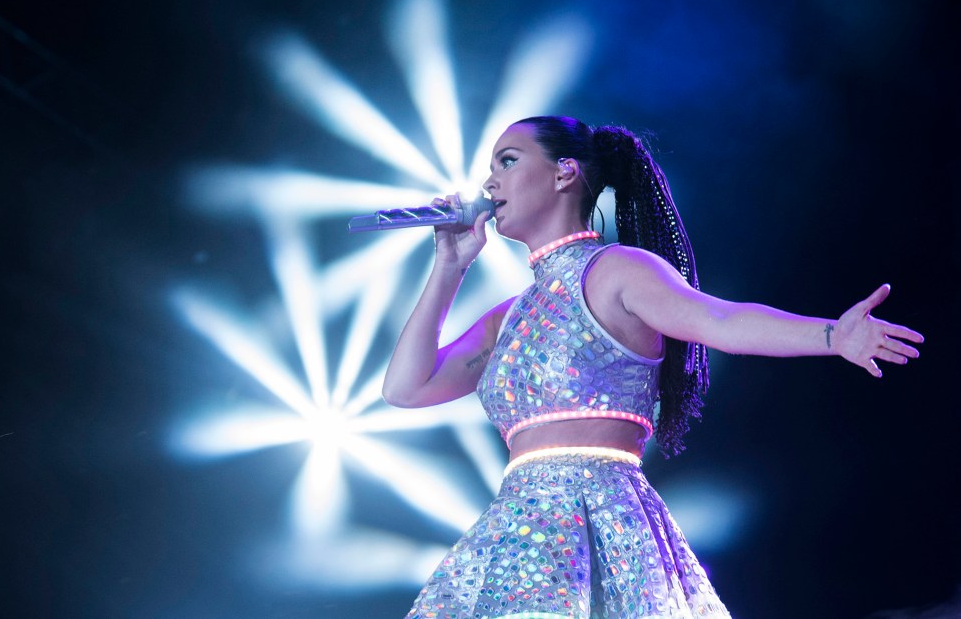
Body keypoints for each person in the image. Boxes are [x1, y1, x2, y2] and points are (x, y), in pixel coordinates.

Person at [382, 115, 923, 619]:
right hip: (513, 534)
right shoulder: (509, 316)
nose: (490, 182)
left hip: (601, 519)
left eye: (508, 161)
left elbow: (720, 320)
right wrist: (448, 268)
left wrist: (832, 335)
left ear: (564, 173)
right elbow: (406, 389)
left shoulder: (617, 270)